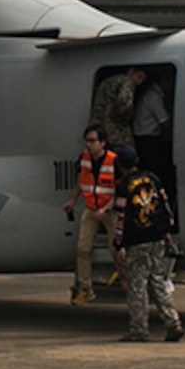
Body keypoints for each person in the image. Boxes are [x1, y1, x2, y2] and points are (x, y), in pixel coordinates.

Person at [110, 146, 183, 343]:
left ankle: (139, 329)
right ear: (137, 160)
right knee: (158, 281)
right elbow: (165, 206)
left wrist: (118, 244)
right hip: (156, 237)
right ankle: (173, 322)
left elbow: (120, 218)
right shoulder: (153, 178)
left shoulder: (124, 186)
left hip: (136, 240)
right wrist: (167, 231)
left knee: (137, 286)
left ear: (119, 164)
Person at [60, 125, 123, 305]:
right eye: (87, 141)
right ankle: (85, 288)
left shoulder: (113, 161)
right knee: (83, 248)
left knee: (116, 249)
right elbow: (81, 181)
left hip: (110, 209)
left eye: (92, 141)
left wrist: (106, 209)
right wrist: (73, 201)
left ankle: (124, 277)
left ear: (103, 143)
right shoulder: (84, 158)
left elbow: (119, 190)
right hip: (92, 208)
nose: (88, 145)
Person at [131, 71, 175, 192]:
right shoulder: (154, 97)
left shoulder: (150, 93)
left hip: (144, 137)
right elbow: (164, 121)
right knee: (155, 172)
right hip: (148, 139)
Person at [90, 67, 143, 149]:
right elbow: (124, 107)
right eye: (139, 77)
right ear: (131, 71)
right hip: (116, 134)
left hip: (99, 131)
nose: (139, 82)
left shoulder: (107, 82)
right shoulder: (127, 82)